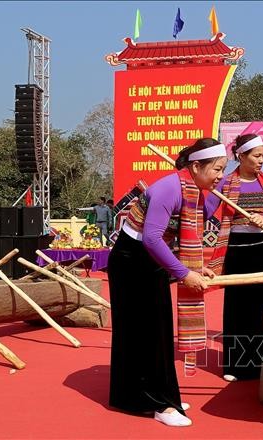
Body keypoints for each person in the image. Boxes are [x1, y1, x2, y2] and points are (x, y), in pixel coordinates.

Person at [107, 138, 227, 427]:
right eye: (217, 169)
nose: (221, 176)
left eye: (223, 169)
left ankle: (156, 394)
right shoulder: (169, 188)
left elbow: (206, 213)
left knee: (157, 332)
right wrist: (185, 273)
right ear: (196, 166)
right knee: (144, 333)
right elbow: (151, 238)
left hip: (148, 259)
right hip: (130, 260)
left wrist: (193, 268)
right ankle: (158, 402)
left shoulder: (195, 189)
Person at [205, 134, 263, 382]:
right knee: (237, 307)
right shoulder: (226, 183)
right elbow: (207, 208)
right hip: (237, 249)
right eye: (257, 155)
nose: (262, 160)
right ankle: (237, 365)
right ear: (241, 156)